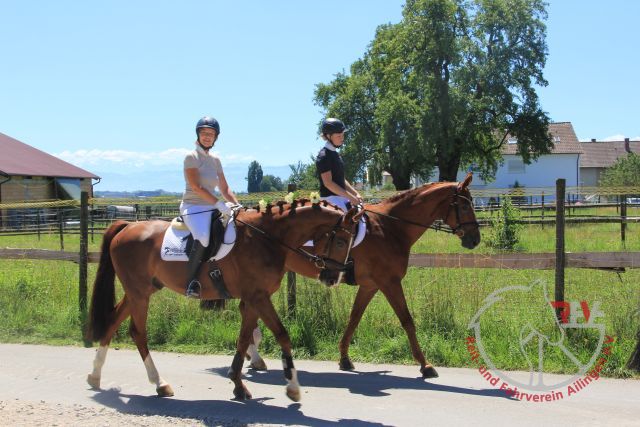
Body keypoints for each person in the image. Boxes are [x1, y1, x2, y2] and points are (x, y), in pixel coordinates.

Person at [180, 116, 239, 298]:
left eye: (211, 134)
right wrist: (219, 204)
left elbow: (224, 188)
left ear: (215, 137)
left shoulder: (215, 160)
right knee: (204, 237)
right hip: (192, 206)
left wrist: (237, 205)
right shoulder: (191, 157)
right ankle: (190, 282)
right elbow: (196, 187)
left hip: (212, 207)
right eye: (204, 133)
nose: (207, 136)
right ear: (198, 134)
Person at [315, 118, 363, 211]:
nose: (342, 138)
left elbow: (341, 180)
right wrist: (351, 197)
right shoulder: (324, 156)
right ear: (328, 136)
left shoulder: (335, 154)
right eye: (338, 136)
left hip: (341, 198)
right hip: (330, 201)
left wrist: (355, 193)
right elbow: (328, 183)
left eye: (343, 135)